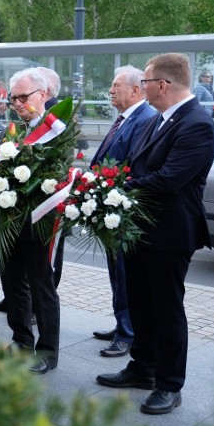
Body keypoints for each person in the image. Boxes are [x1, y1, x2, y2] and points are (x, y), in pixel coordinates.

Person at [97, 53, 214, 415]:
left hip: (169, 233)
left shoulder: (197, 122)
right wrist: (112, 183)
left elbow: (168, 180)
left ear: (162, 85)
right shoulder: (158, 118)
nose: (142, 88)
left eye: (146, 82)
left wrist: (115, 189)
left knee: (166, 310)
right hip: (139, 228)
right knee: (141, 304)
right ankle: (142, 368)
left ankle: (168, 384)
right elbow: (136, 164)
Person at [89, 66, 156, 358]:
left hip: (123, 207)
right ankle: (121, 324)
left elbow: (131, 162)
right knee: (118, 273)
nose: (111, 91)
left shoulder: (145, 118)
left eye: (117, 85)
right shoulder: (125, 117)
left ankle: (128, 333)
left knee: (126, 274)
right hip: (109, 204)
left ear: (136, 89)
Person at [1, 68, 61, 374]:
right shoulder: (10, 131)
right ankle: (21, 341)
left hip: (40, 222)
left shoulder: (59, 129)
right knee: (12, 285)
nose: (19, 103)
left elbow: (58, 175)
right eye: (14, 98)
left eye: (25, 97)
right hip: (8, 221)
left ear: (44, 94)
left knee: (42, 287)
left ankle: (47, 351)